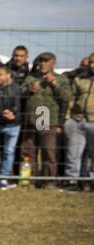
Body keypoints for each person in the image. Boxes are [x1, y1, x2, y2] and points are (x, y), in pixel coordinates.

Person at [19, 52, 70, 180]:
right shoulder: (30, 78)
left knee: (48, 152)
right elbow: (19, 93)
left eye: (46, 61)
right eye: (41, 61)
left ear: (53, 63)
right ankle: (29, 179)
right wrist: (28, 90)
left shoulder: (61, 79)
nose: (43, 63)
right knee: (28, 151)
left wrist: (55, 85)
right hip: (31, 119)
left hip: (49, 120)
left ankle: (47, 180)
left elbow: (67, 97)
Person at [64, 53, 94, 187]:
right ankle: (72, 181)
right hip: (77, 120)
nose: (91, 65)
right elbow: (72, 99)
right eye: (90, 62)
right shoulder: (79, 79)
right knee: (73, 153)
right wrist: (67, 119)